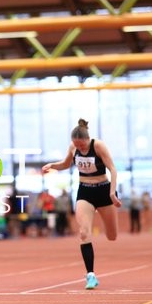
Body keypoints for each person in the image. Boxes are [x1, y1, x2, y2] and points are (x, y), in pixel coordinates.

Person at [42, 119, 121, 290]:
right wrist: (52, 166)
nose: (81, 149)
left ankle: (109, 224)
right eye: (77, 146)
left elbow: (113, 169)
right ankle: (90, 275)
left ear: (88, 139)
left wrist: (112, 192)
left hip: (104, 190)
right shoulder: (73, 147)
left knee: (112, 235)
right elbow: (65, 164)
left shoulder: (98, 146)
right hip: (85, 191)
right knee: (84, 232)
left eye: (82, 145)